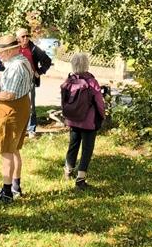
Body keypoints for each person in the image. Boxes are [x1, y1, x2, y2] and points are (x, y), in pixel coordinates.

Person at [0, 34, 33, 203]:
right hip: (21, 106)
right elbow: (9, 87)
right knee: (14, 148)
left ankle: (7, 192)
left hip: (12, 110)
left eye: (1, 52)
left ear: (10, 51)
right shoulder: (21, 62)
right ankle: (15, 187)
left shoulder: (15, 66)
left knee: (6, 150)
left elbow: (9, 94)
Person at [60, 53, 106, 190]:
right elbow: (99, 102)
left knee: (73, 145)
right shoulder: (91, 82)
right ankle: (80, 178)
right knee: (87, 149)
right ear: (87, 64)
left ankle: (68, 170)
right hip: (88, 122)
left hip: (73, 120)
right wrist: (102, 116)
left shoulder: (68, 81)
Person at [16, 28, 52, 138]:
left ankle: (31, 129)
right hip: (17, 80)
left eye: (27, 36)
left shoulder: (34, 48)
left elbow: (47, 61)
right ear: (18, 38)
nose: (26, 38)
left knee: (31, 105)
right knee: (17, 105)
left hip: (30, 80)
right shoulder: (14, 48)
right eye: (23, 36)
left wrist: (39, 72)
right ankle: (19, 129)